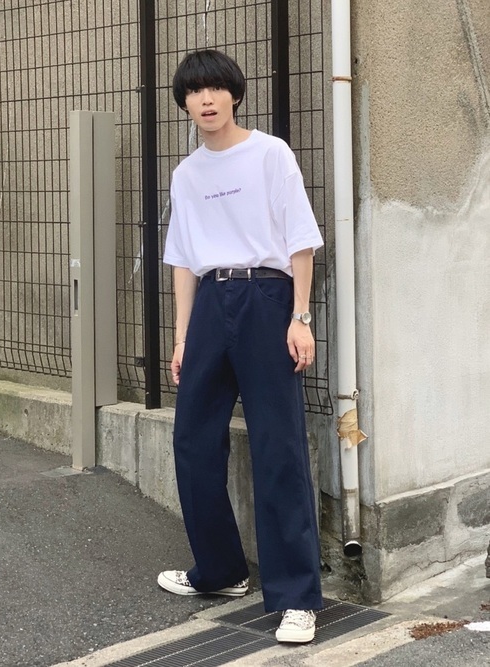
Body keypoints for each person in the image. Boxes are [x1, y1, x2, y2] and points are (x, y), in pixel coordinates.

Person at [157, 49, 324, 644]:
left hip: (266, 298)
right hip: (210, 301)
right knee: (193, 439)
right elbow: (182, 259)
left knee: (278, 444)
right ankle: (222, 571)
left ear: (234, 94)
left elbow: (300, 239)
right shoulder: (186, 174)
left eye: (215, 88)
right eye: (193, 91)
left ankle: (297, 598)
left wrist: (300, 316)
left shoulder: (270, 153)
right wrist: (182, 336)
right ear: (184, 103)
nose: (205, 99)